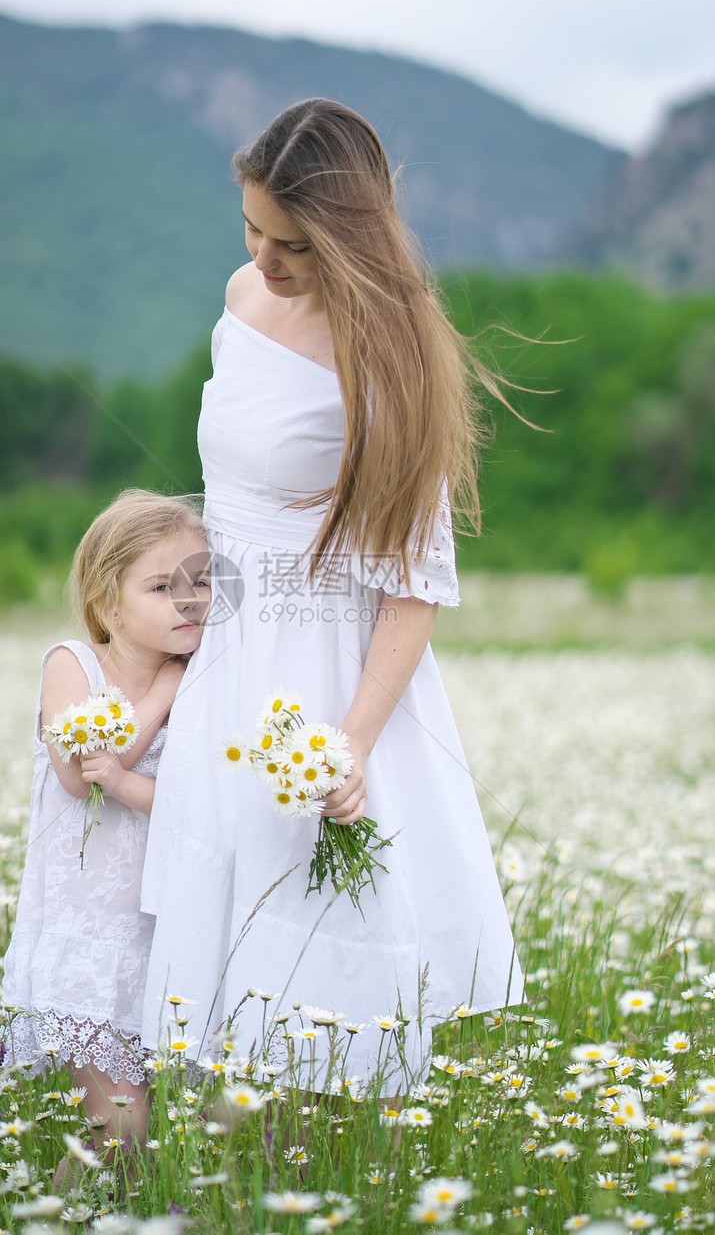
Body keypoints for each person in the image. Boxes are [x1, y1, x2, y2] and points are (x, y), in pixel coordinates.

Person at [139, 99, 525, 1094]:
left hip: (317, 675)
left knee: (313, 962)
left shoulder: (387, 355)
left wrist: (348, 741)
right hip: (222, 643)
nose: (264, 261)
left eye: (292, 246)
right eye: (252, 232)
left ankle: (318, 1171)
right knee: (211, 947)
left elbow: (411, 587)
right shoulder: (240, 297)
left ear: (347, 238)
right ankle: (227, 1171)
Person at [1, 488, 210, 1149]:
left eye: (202, 581)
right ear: (104, 599)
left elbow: (193, 800)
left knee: (180, 1130)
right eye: (161, 586)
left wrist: (131, 778)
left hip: (166, 934)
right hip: (90, 938)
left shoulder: (204, 680)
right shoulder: (75, 665)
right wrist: (160, 696)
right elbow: (79, 774)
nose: (190, 599)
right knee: (117, 1128)